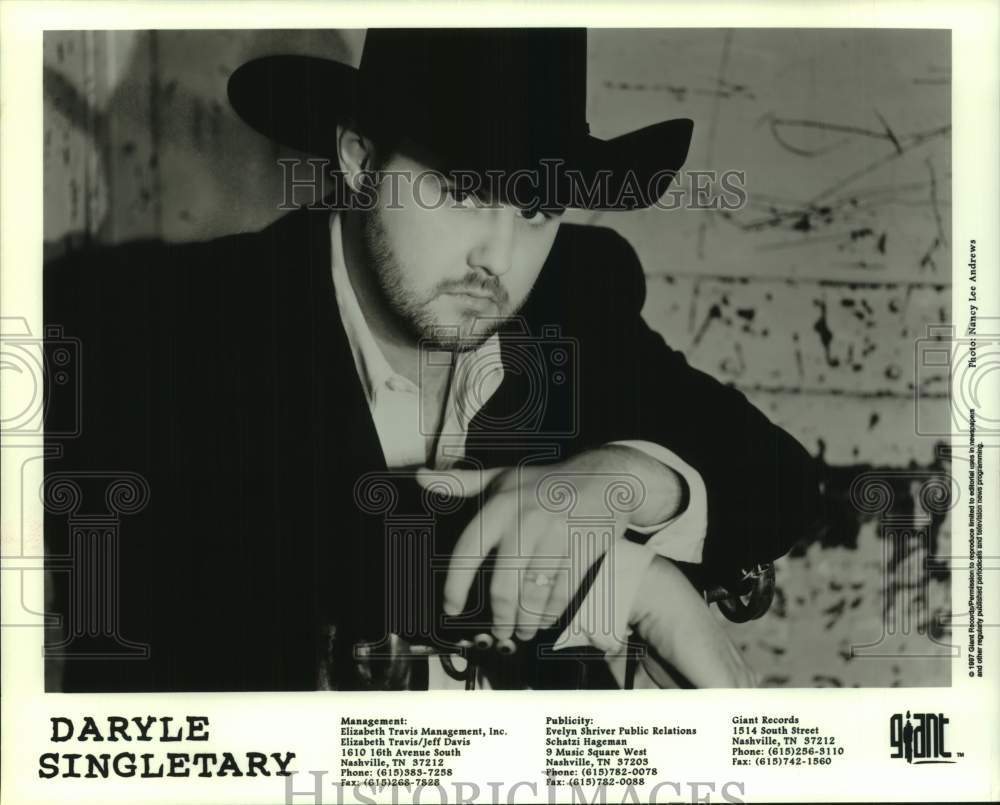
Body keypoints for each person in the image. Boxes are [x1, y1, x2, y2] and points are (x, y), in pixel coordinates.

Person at [43, 28, 822, 692]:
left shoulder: (574, 298)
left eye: (538, 209)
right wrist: (620, 584)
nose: (499, 257)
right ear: (356, 158)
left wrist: (631, 481)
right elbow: (243, 543)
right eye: (460, 191)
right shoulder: (167, 320)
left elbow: (782, 479)